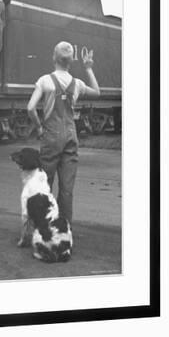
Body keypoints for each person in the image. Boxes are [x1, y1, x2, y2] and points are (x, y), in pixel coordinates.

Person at [26, 41, 100, 225]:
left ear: (54, 57)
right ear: (71, 61)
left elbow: (30, 108)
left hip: (50, 137)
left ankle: (42, 228)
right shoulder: (77, 84)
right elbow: (97, 92)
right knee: (67, 189)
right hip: (70, 136)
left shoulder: (44, 81)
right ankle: (64, 232)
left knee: (45, 185)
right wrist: (89, 68)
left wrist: (39, 128)